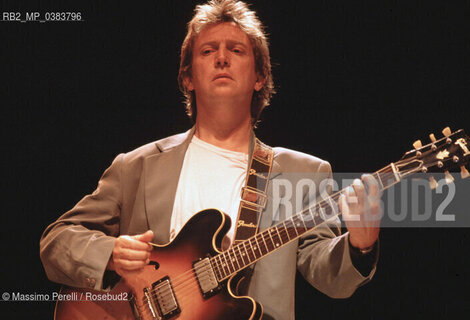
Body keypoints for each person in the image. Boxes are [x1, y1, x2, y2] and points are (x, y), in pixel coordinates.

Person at [40, 0, 381, 319]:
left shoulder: (302, 172)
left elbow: (330, 277)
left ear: (259, 77)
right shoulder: (137, 166)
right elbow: (56, 240)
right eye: (208, 51)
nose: (222, 58)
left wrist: (359, 247)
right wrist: (111, 254)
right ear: (187, 77)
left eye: (236, 50)